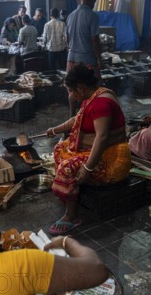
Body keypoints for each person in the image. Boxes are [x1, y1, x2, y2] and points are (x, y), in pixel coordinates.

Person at [45, 64, 131, 234]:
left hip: (111, 159)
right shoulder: (93, 96)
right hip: (98, 150)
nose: (70, 95)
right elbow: (76, 120)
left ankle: (72, 215)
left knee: (67, 167)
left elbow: (102, 137)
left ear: (81, 88)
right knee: (59, 149)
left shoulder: (101, 103)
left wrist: (87, 168)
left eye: (71, 91)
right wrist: (54, 130)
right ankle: (71, 193)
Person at [66, 0, 103, 116]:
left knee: (73, 88)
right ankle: (91, 115)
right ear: (91, 1)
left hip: (71, 59)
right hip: (87, 60)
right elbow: (95, 39)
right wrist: (99, 58)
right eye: (94, 2)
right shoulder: (92, 16)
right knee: (94, 88)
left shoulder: (70, 16)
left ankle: (72, 116)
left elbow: (67, 39)